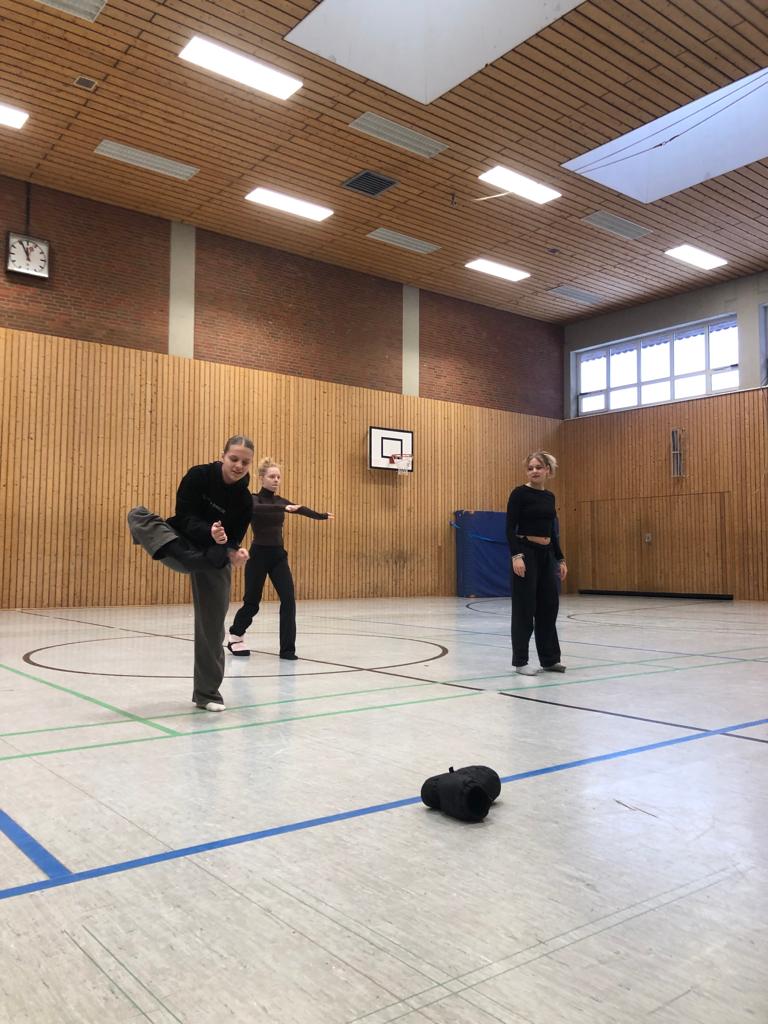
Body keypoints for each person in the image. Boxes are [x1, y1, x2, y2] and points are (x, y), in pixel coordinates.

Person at [127, 436, 254, 711]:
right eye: (234, 459)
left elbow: (233, 540)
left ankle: (207, 694)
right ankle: (192, 559)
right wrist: (207, 531)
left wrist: (235, 553)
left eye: (245, 462)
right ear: (223, 456)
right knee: (138, 515)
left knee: (212, 626)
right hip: (181, 544)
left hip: (212, 558)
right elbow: (183, 515)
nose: (238, 466)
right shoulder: (198, 476)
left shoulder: (245, 500)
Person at [227, 457, 334, 660]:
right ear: (262, 478)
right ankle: (235, 635)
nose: (276, 480)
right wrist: (283, 509)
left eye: (278, 477)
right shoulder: (253, 499)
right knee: (252, 602)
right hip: (258, 555)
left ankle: (287, 650)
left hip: (278, 556)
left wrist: (320, 515)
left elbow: (299, 508)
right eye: (272, 476)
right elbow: (258, 509)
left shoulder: (281, 501)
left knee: (288, 600)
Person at [506, 450, 567, 676]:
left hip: (546, 554)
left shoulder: (550, 497)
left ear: (548, 471)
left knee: (549, 607)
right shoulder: (519, 494)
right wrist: (516, 556)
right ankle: (521, 661)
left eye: (538, 467)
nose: (534, 471)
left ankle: (550, 659)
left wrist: (560, 558)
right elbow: (509, 528)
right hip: (526, 552)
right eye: (530, 468)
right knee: (524, 608)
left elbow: (553, 530)